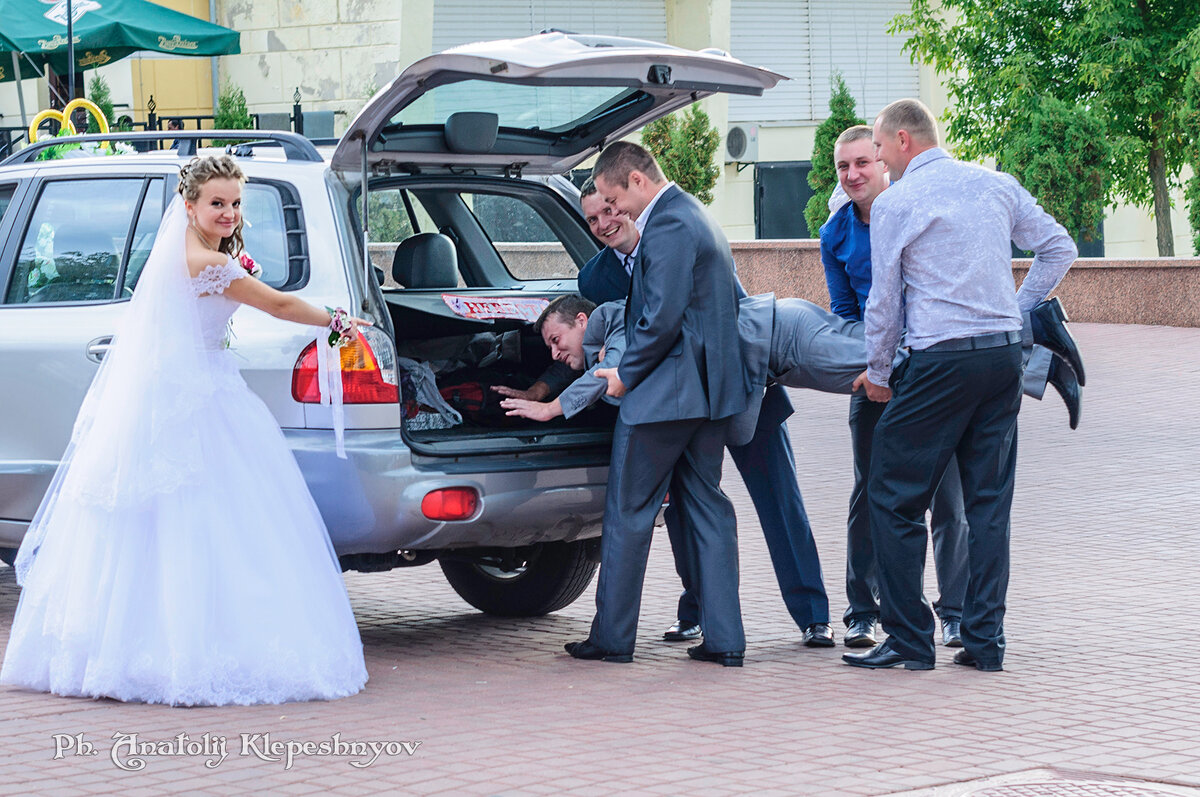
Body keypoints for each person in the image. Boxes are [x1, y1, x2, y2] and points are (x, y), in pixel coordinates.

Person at [1, 155, 370, 705]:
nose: (228, 213)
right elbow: (276, 303)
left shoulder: (195, 252)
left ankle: (138, 644)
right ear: (189, 205)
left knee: (191, 519)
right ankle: (185, 650)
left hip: (193, 388)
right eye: (216, 203)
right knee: (205, 518)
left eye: (235, 203)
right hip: (200, 398)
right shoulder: (206, 263)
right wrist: (336, 319)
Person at [821, 125, 1086, 650]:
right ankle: (983, 642)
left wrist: (877, 373)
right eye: (846, 165)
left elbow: (885, 305)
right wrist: (1015, 312)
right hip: (996, 358)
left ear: (899, 141)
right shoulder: (992, 183)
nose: (863, 166)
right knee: (986, 505)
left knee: (894, 500)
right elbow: (1060, 246)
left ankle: (913, 638)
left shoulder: (901, 201)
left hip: (929, 365)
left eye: (872, 153)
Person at [568, 182, 834, 647]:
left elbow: (734, 309)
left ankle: (814, 616)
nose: (606, 221)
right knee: (688, 509)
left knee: (779, 499)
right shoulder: (597, 277)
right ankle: (696, 613)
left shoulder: (681, 230)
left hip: (742, 382)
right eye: (593, 218)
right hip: (677, 402)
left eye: (611, 209)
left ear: (628, 199)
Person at [562, 142, 749, 667]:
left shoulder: (667, 222)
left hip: (664, 396)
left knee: (627, 512)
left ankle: (613, 638)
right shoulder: (697, 215)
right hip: (707, 398)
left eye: (614, 197)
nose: (614, 210)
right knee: (709, 509)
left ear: (638, 182)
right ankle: (725, 640)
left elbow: (660, 317)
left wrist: (625, 374)